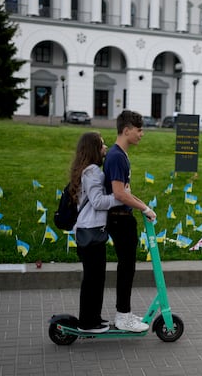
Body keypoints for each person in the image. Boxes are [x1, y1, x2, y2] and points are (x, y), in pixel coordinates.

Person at [104, 110, 157, 333]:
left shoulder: (120, 155)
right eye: (139, 129)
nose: (142, 134)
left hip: (124, 217)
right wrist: (143, 207)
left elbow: (126, 192)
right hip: (119, 220)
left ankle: (124, 313)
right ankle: (123, 317)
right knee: (127, 268)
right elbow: (118, 193)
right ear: (127, 130)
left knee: (128, 267)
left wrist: (144, 206)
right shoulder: (116, 156)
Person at [70, 131, 120, 333]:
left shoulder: (89, 170)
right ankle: (87, 322)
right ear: (93, 149)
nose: (105, 148)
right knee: (92, 279)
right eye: (101, 145)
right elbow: (98, 202)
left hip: (91, 230)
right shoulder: (91, 172)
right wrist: (120, 197)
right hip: (89, 232)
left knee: (96, 278)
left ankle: (93, 318)